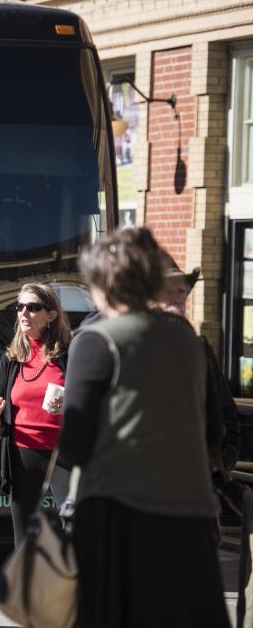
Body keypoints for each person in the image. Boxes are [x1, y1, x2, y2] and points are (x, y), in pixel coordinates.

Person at [59, 226, 230, 627]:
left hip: (118, 520)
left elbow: (73, 446)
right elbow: (213, 433)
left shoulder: (96, 341)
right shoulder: (187, 340)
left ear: (102, 282)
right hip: (190, 518)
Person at [0, 283, 72, 545]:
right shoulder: (10, 360)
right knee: (24, 537)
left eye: (32, 308)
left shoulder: (69, 354)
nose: (24, 313)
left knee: (73, 528)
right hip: (22, 451)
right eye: (19, 307)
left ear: (51, 315)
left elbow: (87, 401)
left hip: (62, 452)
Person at [156, 249, 241, 475]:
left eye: (181, 291)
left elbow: (227, 414)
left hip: (198, 485)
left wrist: (221, 462)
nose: (176, 298)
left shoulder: (201, 348)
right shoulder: (135, 349)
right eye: (168, 291)